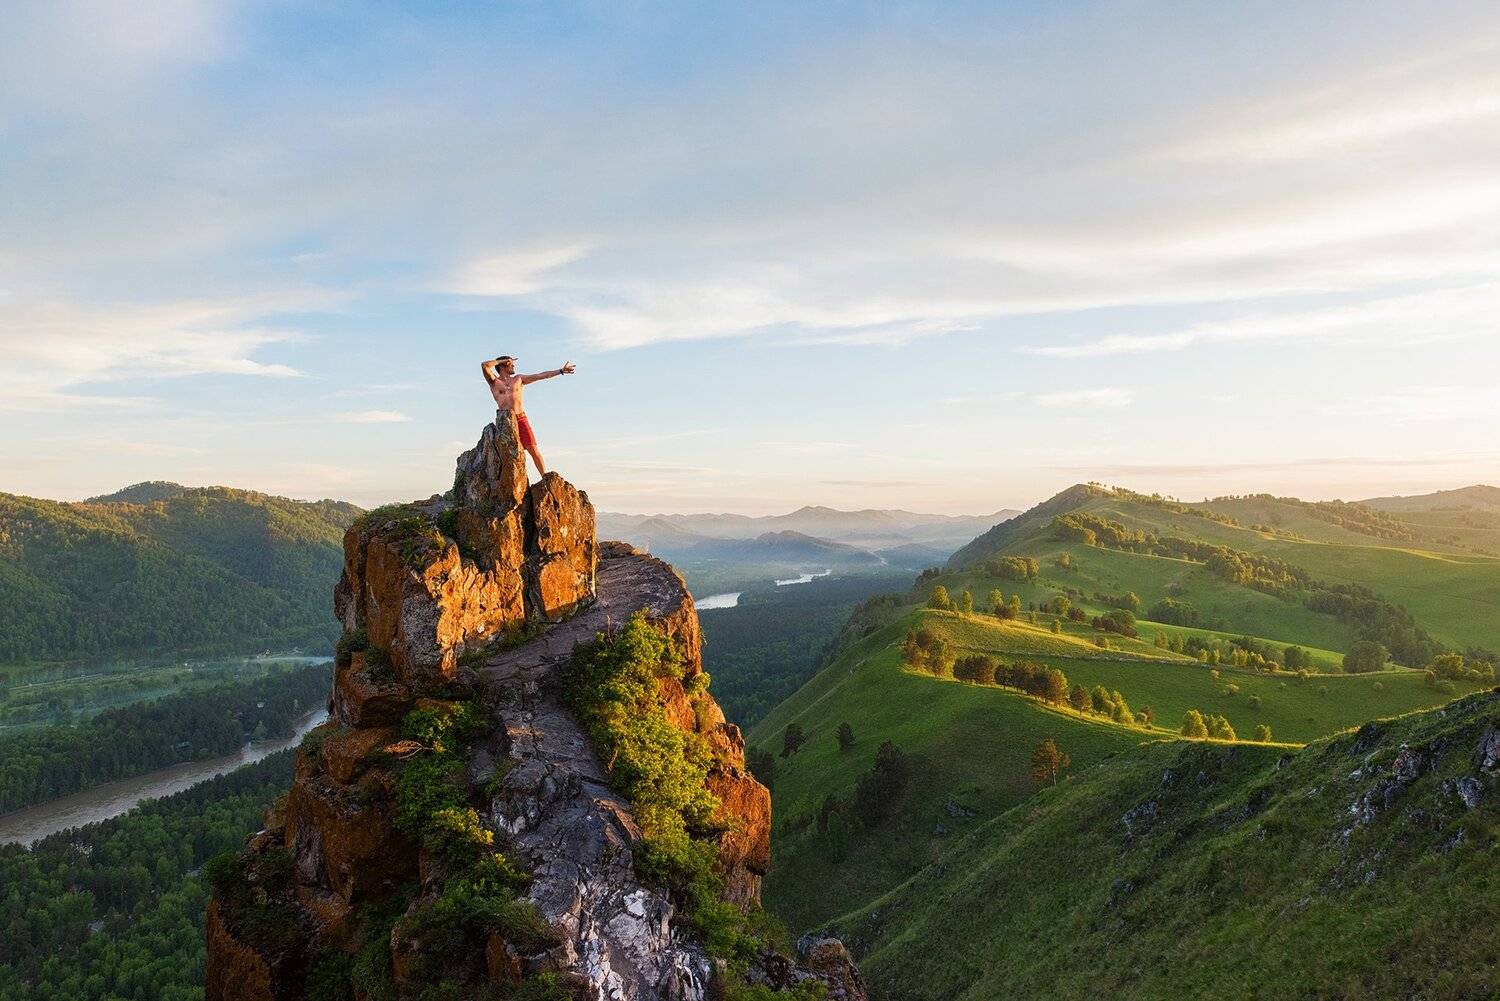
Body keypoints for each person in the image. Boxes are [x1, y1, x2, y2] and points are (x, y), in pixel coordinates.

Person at [480, 355, 576, 475]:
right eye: (511, 364)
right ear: (503, 365)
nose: (514, 366)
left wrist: (561, 371)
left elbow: (540, 375)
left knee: (533, 449)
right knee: (508, 456)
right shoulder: (494, 381)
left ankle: (544, 477)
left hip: (521, 419)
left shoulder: (518, 379)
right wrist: (502, 360)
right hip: (505, 422)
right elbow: (484, 365)